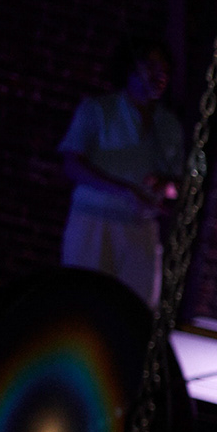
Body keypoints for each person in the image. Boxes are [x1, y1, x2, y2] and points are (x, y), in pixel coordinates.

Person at [58, 38, 184, 305]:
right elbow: (72, 165)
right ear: (130, 68)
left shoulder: (169, 124)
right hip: (93, 223)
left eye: (164, 69)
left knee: (137, 307)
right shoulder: (97, 110)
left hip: (141, 228)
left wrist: (166, 185)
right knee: (83, 303)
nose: (159, 75)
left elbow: (176, 185)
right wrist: (125, 191)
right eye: (151, 66)